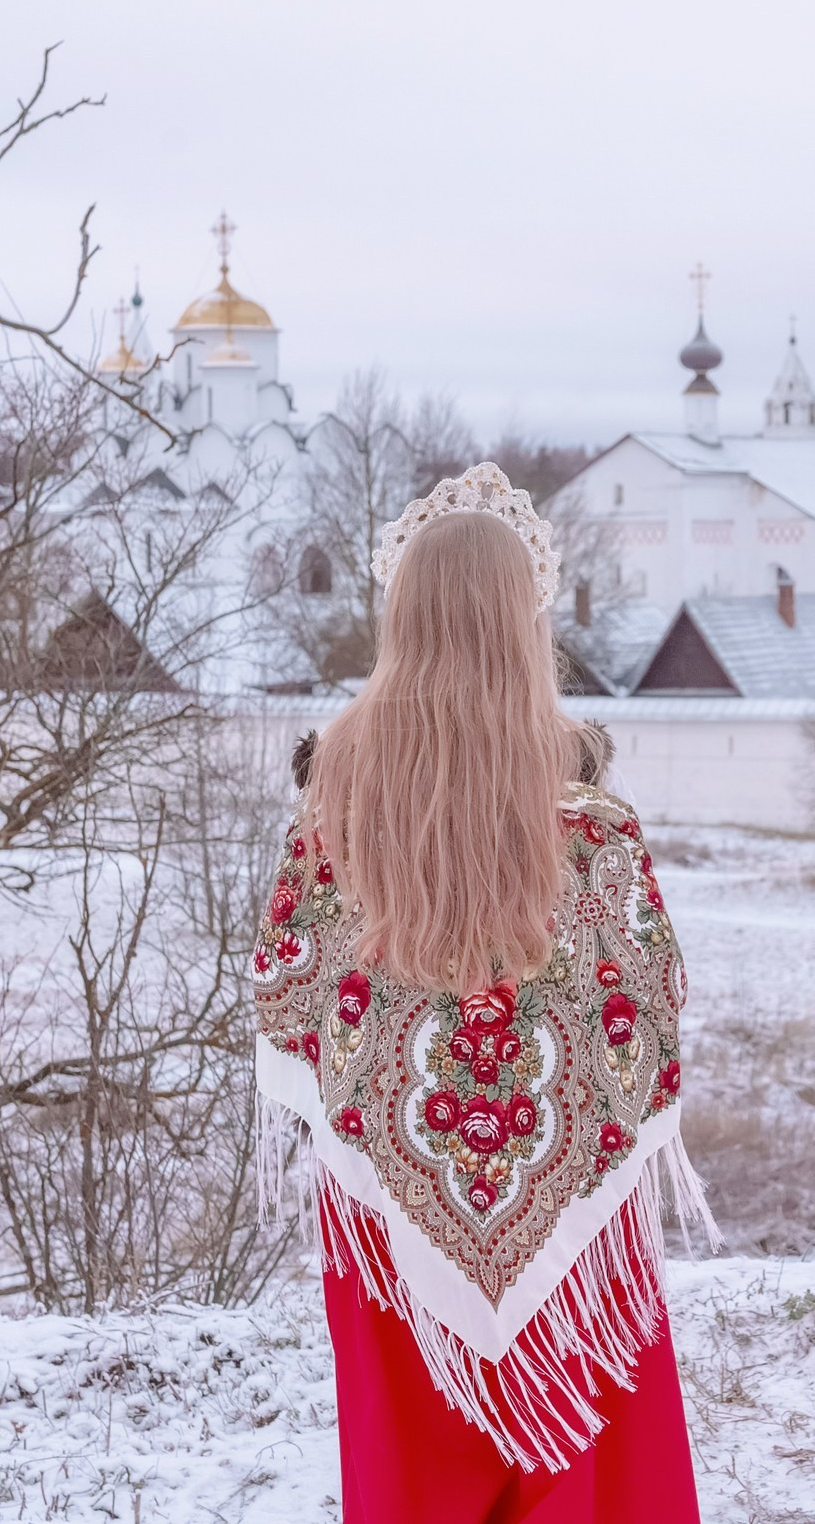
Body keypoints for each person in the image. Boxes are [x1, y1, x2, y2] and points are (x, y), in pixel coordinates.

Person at [250, 463, 710, 1522]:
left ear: (401, 618)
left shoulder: (331, 810)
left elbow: (290, 1001)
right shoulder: (594, 821)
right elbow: (648, 1009)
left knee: (413, 1473)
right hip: (574, 1219)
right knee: (586, 1470)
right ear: (524, 622)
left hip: (388, 1200)